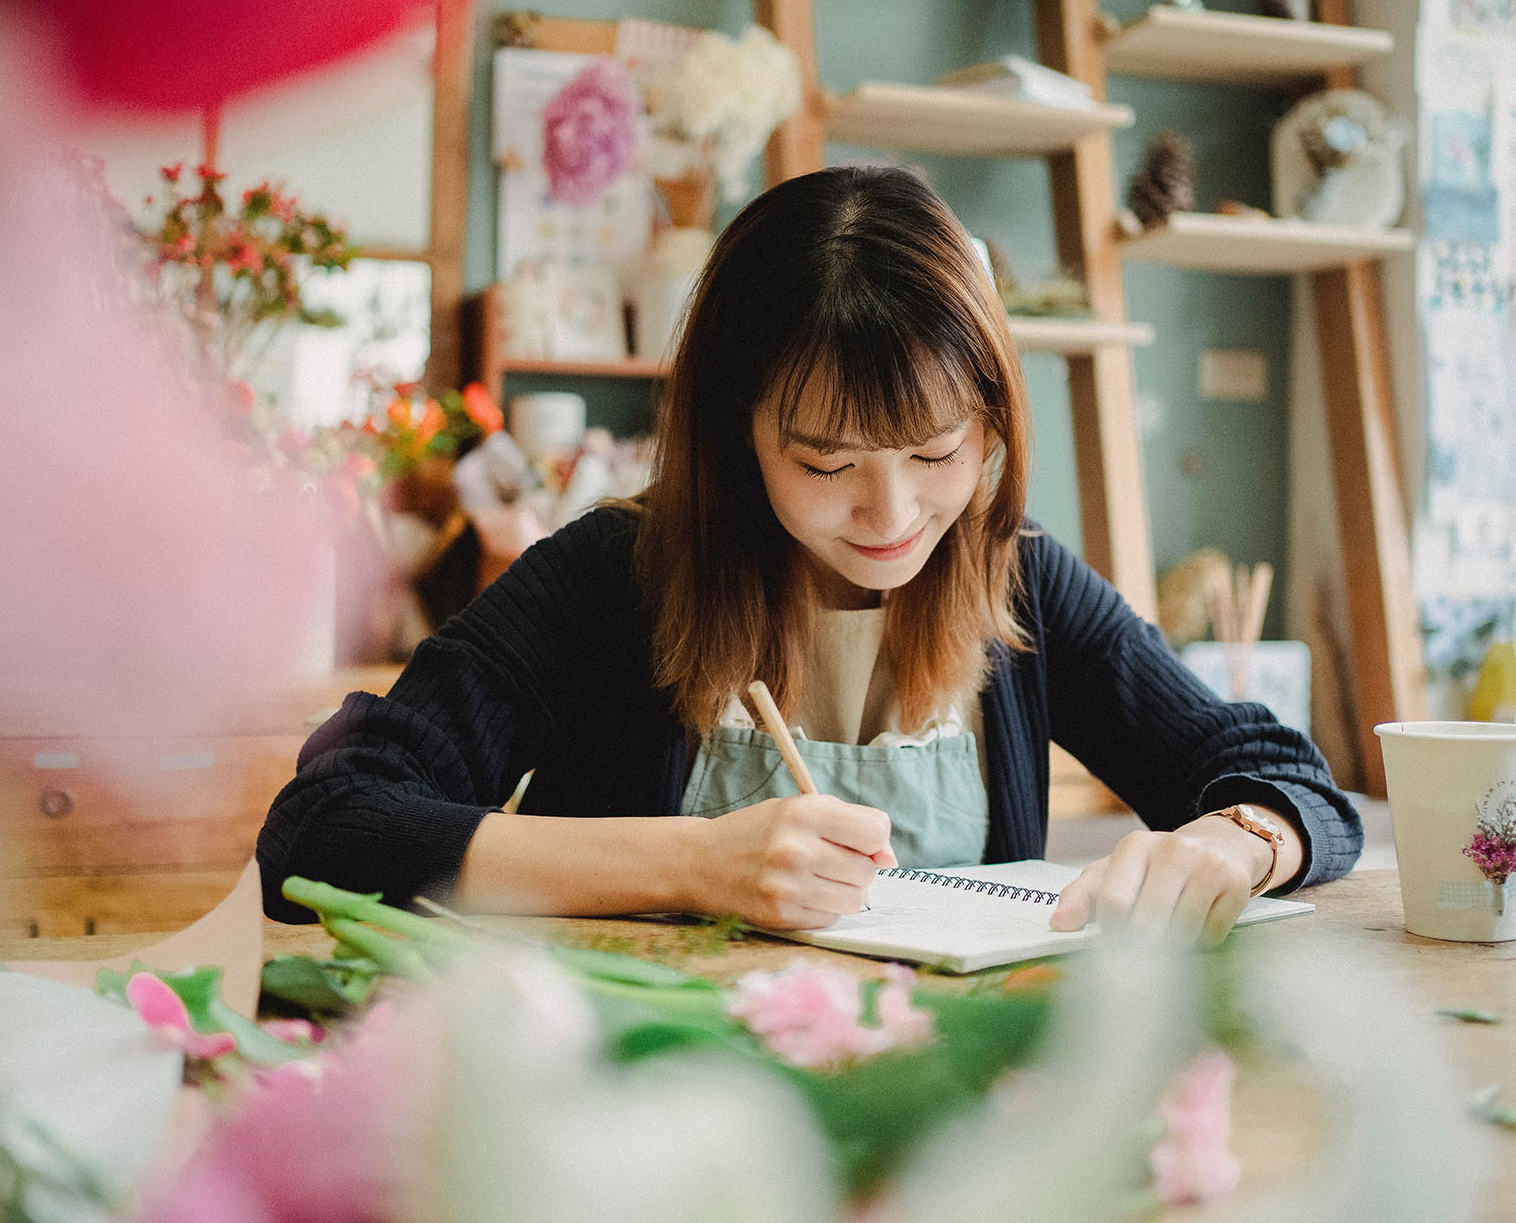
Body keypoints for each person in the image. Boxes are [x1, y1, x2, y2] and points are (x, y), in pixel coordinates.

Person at [259, 165, 1360, 946]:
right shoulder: (613, 576)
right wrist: (691, 866)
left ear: (993, 423)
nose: (890, 514)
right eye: (824, 462)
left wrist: (1233, 844)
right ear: (739, 433)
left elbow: (1290, 782)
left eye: (935, 452)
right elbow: (320, 830)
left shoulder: (1011, 577)